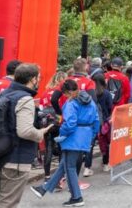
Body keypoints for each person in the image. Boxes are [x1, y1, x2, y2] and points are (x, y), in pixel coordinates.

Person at [31, 78, 100, 207]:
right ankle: (44, 189)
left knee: (70, 167)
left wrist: (62, 134)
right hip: (85, 135)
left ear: (67, 92)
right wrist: (92, 136)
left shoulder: (70, 103)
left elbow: (70, 123)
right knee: (65, 165)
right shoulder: (90, 102)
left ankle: (77, 197)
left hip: (72, 137)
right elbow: (96, 120)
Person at [0, 64, 51, 208]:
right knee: (8, 203)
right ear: (32, 79)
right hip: (17, 159)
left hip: (1, 155)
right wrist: (40, 133)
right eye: (39, 78)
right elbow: (24, 131)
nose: (39, 81)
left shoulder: (5, 94)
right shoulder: (25, 99)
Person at [40, 71, 67, 178]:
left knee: (48, 149)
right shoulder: (62, 93)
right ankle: (61, 175)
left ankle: (47, 175)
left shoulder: (46, 92)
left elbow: (42, 108)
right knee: (61, 148)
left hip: (47, 123)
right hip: (60, 122)